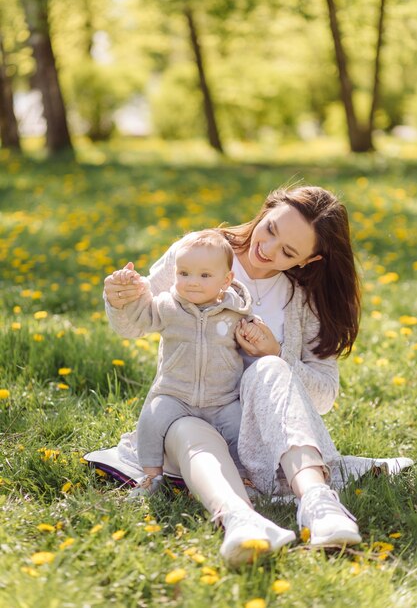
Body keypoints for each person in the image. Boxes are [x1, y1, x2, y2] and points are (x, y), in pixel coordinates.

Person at [100, 185, 413, 567]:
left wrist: (276, 354)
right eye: (271, 229)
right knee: (185, 422)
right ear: (266, 209)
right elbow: (141, 316)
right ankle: (239, 520)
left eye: (288, 252)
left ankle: (318, 504)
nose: (268, 249)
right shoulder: (201, 251)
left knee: (268, 368)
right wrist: (120, 298)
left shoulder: (303, 300)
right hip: (189, 420)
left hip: (264, 439)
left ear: (309, 259)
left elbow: (325, 395)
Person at [107, 229, 265, 497]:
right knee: (150, 419)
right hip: (175, 393)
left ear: (226, 280)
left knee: (242, 431)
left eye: (204, 275)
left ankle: (244, 479)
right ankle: (150, 477)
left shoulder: (236, 311)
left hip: (222, 398)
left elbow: (253, 334)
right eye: (184, 273)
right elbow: (141, 317)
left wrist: (255, 331)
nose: (192, 282)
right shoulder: (168, 307)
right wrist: (130, 295)